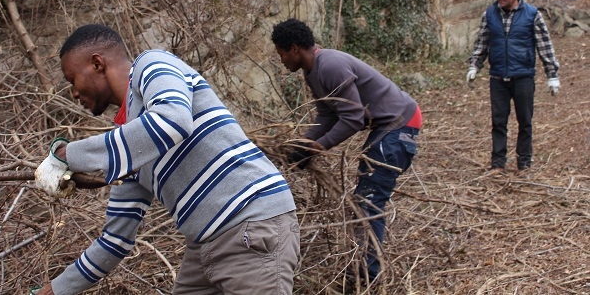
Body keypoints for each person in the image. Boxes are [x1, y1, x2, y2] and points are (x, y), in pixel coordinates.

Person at [33, 24, 300, 295]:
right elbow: (115, 239)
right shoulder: (132, 145)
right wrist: (55, 290)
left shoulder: (151, 65)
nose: (74, 93)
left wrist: (70, 156)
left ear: (97, 64)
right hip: (205, 245)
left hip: (250, 224)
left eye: (72, 81)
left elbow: (173, 120)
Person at [271, 18, 422, 282]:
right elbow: (327, 116)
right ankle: (365, 270)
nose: (281, 60)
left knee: (368, 200)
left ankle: (367, 276)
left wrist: (318, 147)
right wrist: (303, 143)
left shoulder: (330, 65)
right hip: (388, 126)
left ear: (294, 48)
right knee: (366, 198)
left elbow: (353, 118)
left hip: (399, 124)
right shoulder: (313, 71)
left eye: (281, 53)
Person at [466, 0, 561, 174]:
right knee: (498, 122)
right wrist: (474, 65)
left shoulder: (532, 14)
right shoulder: (490, 14)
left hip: (523, 76)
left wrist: (552, 74)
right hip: (498, 77)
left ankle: (524, 163)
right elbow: (482, 43)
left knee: (525, 121)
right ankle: (498, 163)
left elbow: (545, 46)